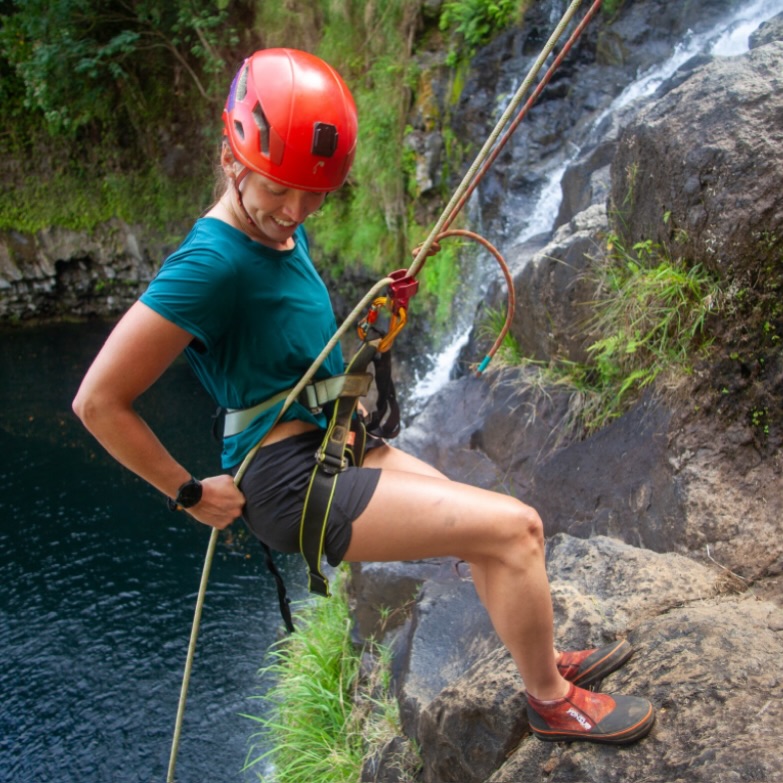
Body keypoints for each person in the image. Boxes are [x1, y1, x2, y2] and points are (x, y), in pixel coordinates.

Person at [73, 47, 655, 745]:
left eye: (312, 192)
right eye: (278, 189)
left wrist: (377, 320)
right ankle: (551, 700)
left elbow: (291, 345)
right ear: (232, 159)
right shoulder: (209, 263)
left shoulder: (275, 229)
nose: (295, 210)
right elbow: (98, 400)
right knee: (514, 527)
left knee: (487, 536)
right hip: (287, 483)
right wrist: (189, 493)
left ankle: (540, 662)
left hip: (330, 446)